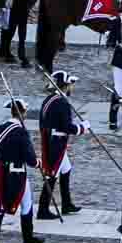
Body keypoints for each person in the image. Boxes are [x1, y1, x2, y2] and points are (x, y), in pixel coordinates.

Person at [0, 100, 40, 243]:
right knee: (25, 204)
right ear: (22, 113)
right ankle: (24, 240)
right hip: (16, 174)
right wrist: (38, 163)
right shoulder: (21, 132)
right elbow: (30, 158)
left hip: (0, 171)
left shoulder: (1, 128)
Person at [36, 71, 80, 220]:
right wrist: (81, 128)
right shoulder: (61, 102)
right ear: (66, 85)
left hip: (53, 140)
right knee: (51, 175)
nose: (72, 88)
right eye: (70, 85)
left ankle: (66, 204)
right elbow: (67, 126)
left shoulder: (51, 99)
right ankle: (43, 209)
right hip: (56, 142)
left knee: (66, 169)